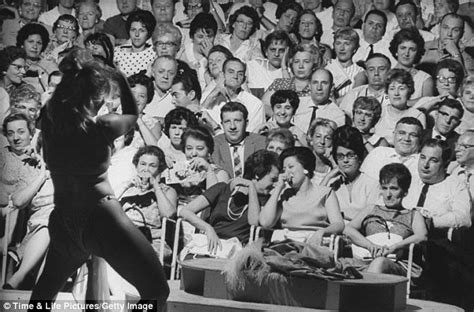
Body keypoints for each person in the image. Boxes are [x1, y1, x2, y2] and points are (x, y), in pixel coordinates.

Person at [29, 54, 169, 309]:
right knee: (157, 289)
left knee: (43, 296)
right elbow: (132, 115)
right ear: (96, 96)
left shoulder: (50, 122)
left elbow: (54, 104)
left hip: (64, 218)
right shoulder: (102, 125)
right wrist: (121, 79)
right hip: (101, 215)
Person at [179, 149, 280, 252]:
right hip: (211, 245)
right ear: (257, 174)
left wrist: (251, 187)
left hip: (237, 252)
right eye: (273, 179)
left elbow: (254, 222)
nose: (275, 184)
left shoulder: (266, 202)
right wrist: (208, 228)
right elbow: (185, 211)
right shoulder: (222, 189)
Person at [341, 163, 427, 276]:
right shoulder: (371, 209)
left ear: (405, 191)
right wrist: (370, 245)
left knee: (379, 263)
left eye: (394, 189)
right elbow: (348, 229)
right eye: (384, 188)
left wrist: (394, 247)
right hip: (364, 261)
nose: (388, 194)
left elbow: (422, 236)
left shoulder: (413, 215)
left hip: (396, 265)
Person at [1, 112, 53, 290]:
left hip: (57, 211)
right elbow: (17, 200)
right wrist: (42, 174)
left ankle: (30, 285)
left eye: (21, 132)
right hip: (32, 215)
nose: (15, 138)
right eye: (10, 133)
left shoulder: (38, 151)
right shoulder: (7, 158)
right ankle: (24, 280)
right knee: (49, 223)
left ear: (31, 133)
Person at [259, 146, 344, 245]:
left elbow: (338, 224)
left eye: (291, 167)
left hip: (314, 245)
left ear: (305, 169)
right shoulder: (284, 194)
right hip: (286, 245)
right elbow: (265, 222)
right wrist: (278, 188)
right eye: (284, 170)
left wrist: (322, 232)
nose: (287, 173)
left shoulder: (325, 193)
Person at [119, 145, 177, 257]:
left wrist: (155, 185)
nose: (146, 169)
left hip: (151, 240)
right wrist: (126, 186)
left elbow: (169, 214)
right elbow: (103, 208)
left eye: (152, 166)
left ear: (159, 169)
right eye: (143, 164)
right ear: (136, 165)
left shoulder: (166, 191)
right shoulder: (126, 187)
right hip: (122, 236)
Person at [320, 126, 380, 221]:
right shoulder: (332, 183)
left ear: (359, 157)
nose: (345, 160)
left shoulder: (372, 184)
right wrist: (328, 177)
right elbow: (315, 209)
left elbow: (370, 219)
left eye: (350, 155)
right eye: (340, 156)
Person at [201, 58, 265, 133]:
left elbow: (252, 137)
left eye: (240, 74)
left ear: (244, 79)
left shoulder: (255, 104)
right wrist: (211, 97)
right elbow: (198, 122)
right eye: (231, 72)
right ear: (222, 75)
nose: (235, 76)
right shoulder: (208, 96)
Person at [262, 43, 321, 118]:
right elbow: (264, 105)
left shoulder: (319, 86)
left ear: (314, 65)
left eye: (306, 61)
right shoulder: (280, 83)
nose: (300, 66)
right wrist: (281, 118)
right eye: (296, 61)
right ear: (291, 64)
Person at [211, 102, 266, 179]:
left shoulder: (261, 143)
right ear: (222, 124)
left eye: (237, 121)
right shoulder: (213, 145)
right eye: (227, 122)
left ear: (246, 123)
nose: (232, 126)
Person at [361, 117, 423, 183]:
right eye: (402, 133)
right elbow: (362, 185)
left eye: (413, 135)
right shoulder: (378, 153)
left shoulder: (423, 162)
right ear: (394, 134)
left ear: (420, 139)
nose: (406, 138)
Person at [373, 68, 426, 145]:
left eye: (401, 88)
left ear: (409, 91)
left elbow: (418, 144)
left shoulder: (417, 116)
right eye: (392, 88)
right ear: (387, 92)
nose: (396, 93)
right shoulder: (379, 111)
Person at [339, 53, 391, 121]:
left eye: (381, 69)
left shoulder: (395, 95)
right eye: (371, 69)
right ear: (366, 73)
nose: (376, 73)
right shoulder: (354, 94)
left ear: (389, 72)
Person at [389, 29, 434, 101]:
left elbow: (428, 104)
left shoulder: (425, 79)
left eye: (412, 49)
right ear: (396, 50)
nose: (406, 53)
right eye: (403, 48)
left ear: (418, 53)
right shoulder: (385, 74)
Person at [246, 31, 292, 98]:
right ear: (266, 51)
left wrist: (284, 66)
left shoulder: (289, 73)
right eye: (273, 50)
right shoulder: (252, 66)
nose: (276, 54)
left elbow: (290, 95)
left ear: (287, 52)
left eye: (281, 50)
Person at [325, 26, 366, 100]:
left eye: (347, 44)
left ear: (355, 49)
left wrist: (334, 103)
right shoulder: (327, 66)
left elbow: (354, 97)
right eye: (338, 43)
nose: (342, 48)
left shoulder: (359, 71)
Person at [16, 23, 58, 94]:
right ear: (22, 44)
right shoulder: (15, 64)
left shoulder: (49, 64)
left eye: (39, 43)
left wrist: (39, 70)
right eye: (31, 42)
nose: (35, 46)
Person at [179, 12, 217, 90]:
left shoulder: (219, 55)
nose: (205, 41)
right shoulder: (182, 54)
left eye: (209, 37)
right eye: (200, 36)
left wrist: (210, 56)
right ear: (192, 36)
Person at [114, 10, 157, 77]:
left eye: (141, 30)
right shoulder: (117, 52)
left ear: (148, 33)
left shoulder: (154, 54)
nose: (136, 34)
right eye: (133, 30)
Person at [308, 118, 337, 184]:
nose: (322, 141)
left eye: (327, 138)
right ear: (311, 139)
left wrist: (332, 160)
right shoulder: (302, 164)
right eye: (318, 136)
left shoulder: (334, 166)